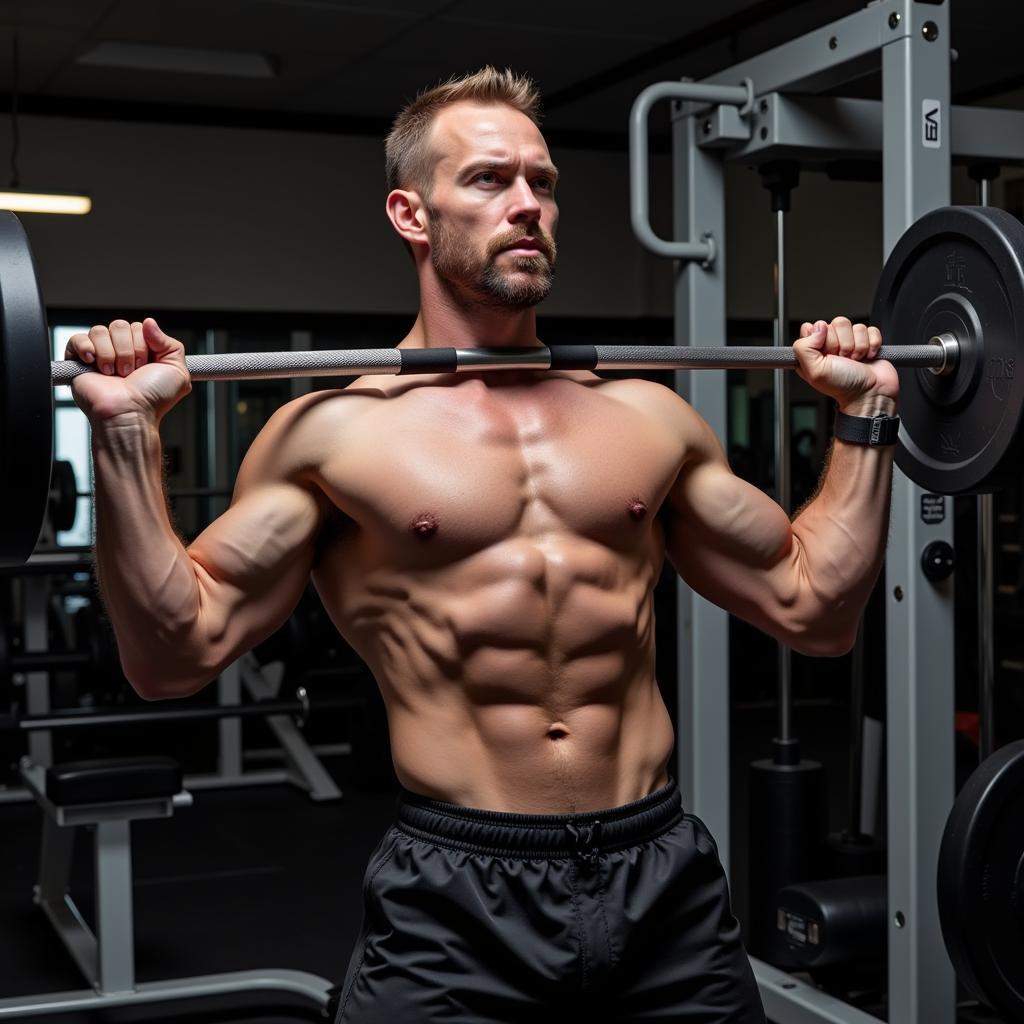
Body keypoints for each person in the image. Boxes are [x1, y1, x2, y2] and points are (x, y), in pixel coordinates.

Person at [67, 67, 898, 1023]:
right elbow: (171, 656)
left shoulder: (649, 420)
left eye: (542, 184)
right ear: (410, 214)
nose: (528, 206)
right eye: (489, 180)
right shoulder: (335, 434)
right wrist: (126, 436)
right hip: (457, 894)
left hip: (662, 873)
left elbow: (818, 611)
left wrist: (865, 418)